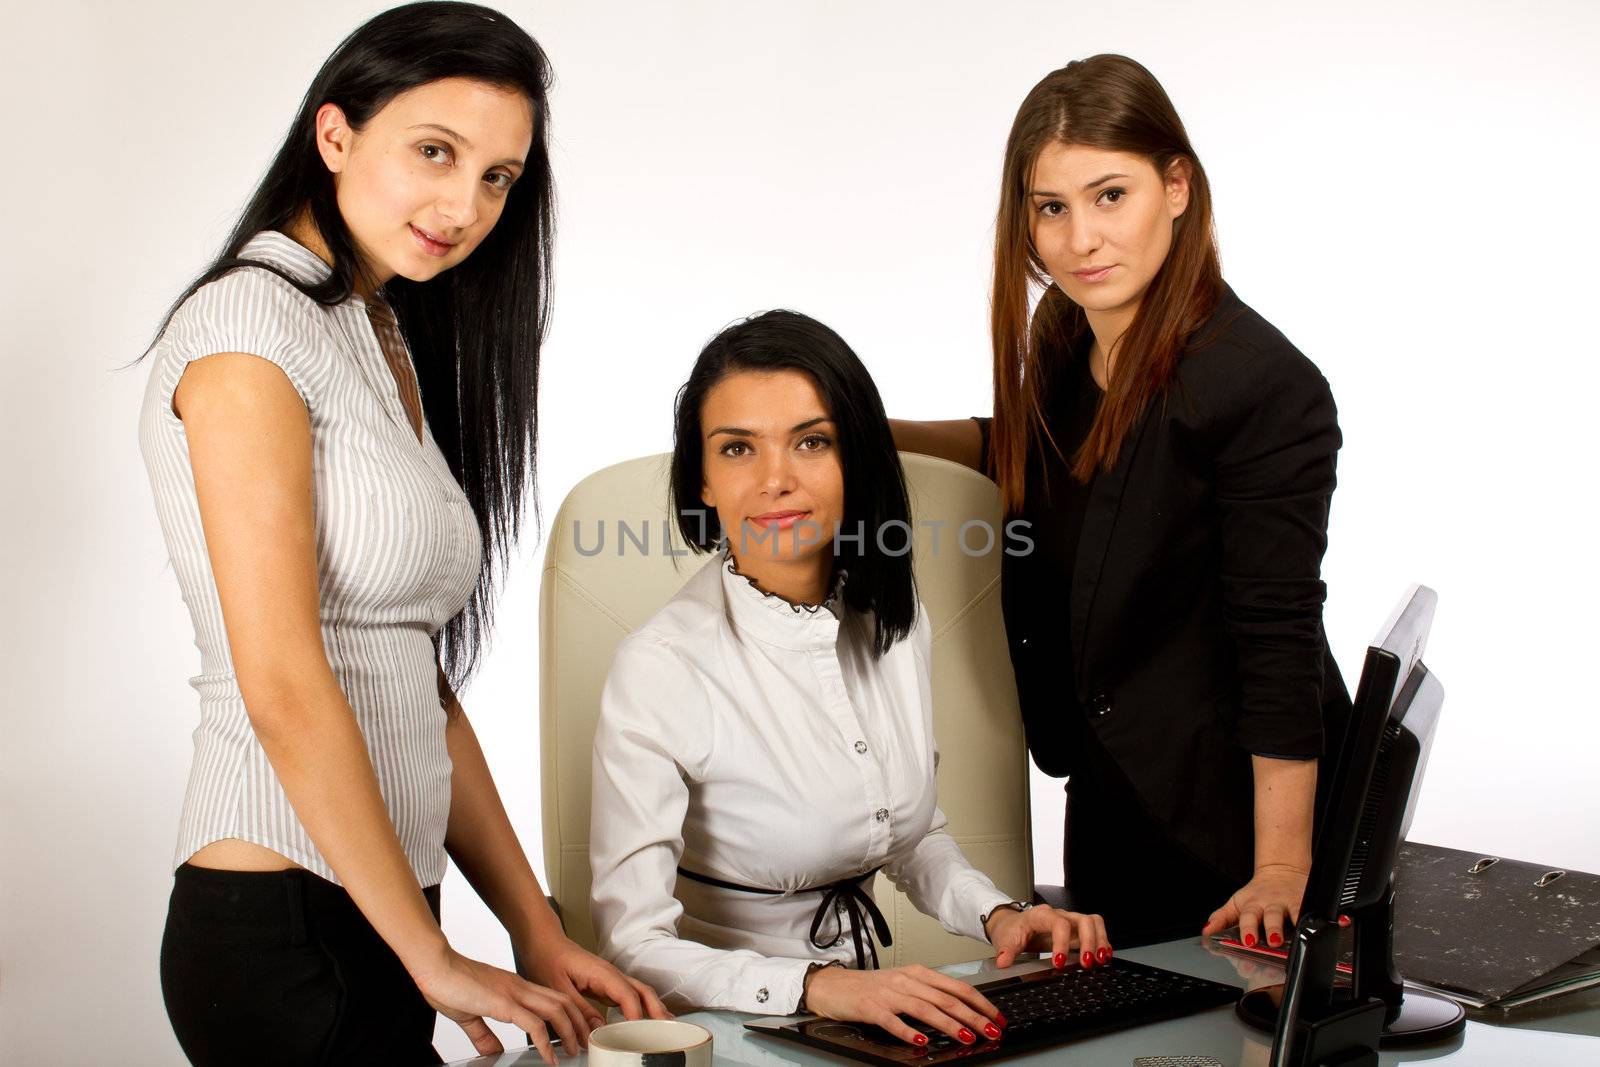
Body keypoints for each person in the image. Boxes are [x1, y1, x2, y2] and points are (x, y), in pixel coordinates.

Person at [135, 5, 664, 1064]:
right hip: (282, 918)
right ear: (335, 135)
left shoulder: (374, 328)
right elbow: (282, 681)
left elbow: (416, 681)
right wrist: (431, 951)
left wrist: (532, 925)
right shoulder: (249, 327)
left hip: (376, 916)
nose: (464, 205)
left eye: (498, 178)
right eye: (435, 151)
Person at [891, 54, 1353, 951]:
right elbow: (1027, 447)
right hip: (1109, 787)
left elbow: (1279, 635)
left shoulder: (1263, 387)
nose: (1081, 239)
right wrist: (861, 425)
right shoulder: (1064, 330)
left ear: (1176, 187)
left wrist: (1284, 866)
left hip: (1230, 826)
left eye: (1111, 196)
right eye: (1051, 208)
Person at [588, 310, 1111, 1050]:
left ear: (855, 461)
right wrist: (812, 984)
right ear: (701, 480)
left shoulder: (893, 618)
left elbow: (908, 833)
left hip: (866, 1024)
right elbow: (631, 941)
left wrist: (1002, 915)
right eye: (738, 448)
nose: (777, 479)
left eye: (811, 441)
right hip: (720, 1034)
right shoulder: (664, 666)